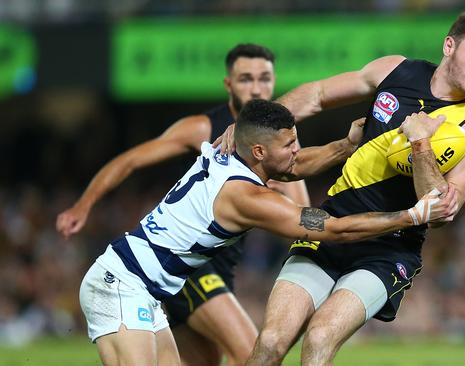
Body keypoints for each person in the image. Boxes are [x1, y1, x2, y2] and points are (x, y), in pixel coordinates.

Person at [78, 99, 454, 366]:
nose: (297, 149)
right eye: (289, 144)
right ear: (258, 150)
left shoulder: (227, 153)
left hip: (140, 286)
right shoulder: (246, 196)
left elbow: (292, 166)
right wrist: (409, 216)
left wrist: (346, 145)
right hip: (122, 286)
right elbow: (334, 229)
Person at [240, 10, 465, 366]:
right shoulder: (396, 70)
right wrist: (251, 127)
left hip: (389, 250)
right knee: (271, 341)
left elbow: (441, 211)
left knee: (320, 337)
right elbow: (317, 94)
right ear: (449, 45)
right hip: (331, 223)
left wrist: (421, 145)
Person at [56, 44, 309, 366]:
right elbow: (132, 160)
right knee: (251, 352)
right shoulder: (203, 128)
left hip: (219, 265)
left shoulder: (279, 140)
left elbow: (299, 217)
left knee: (204, 361)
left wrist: (280, 181)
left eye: (264, 78)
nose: (257, 88)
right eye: (246, 79)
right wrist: (84, 204)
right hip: (189, 267)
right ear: (228, 85)